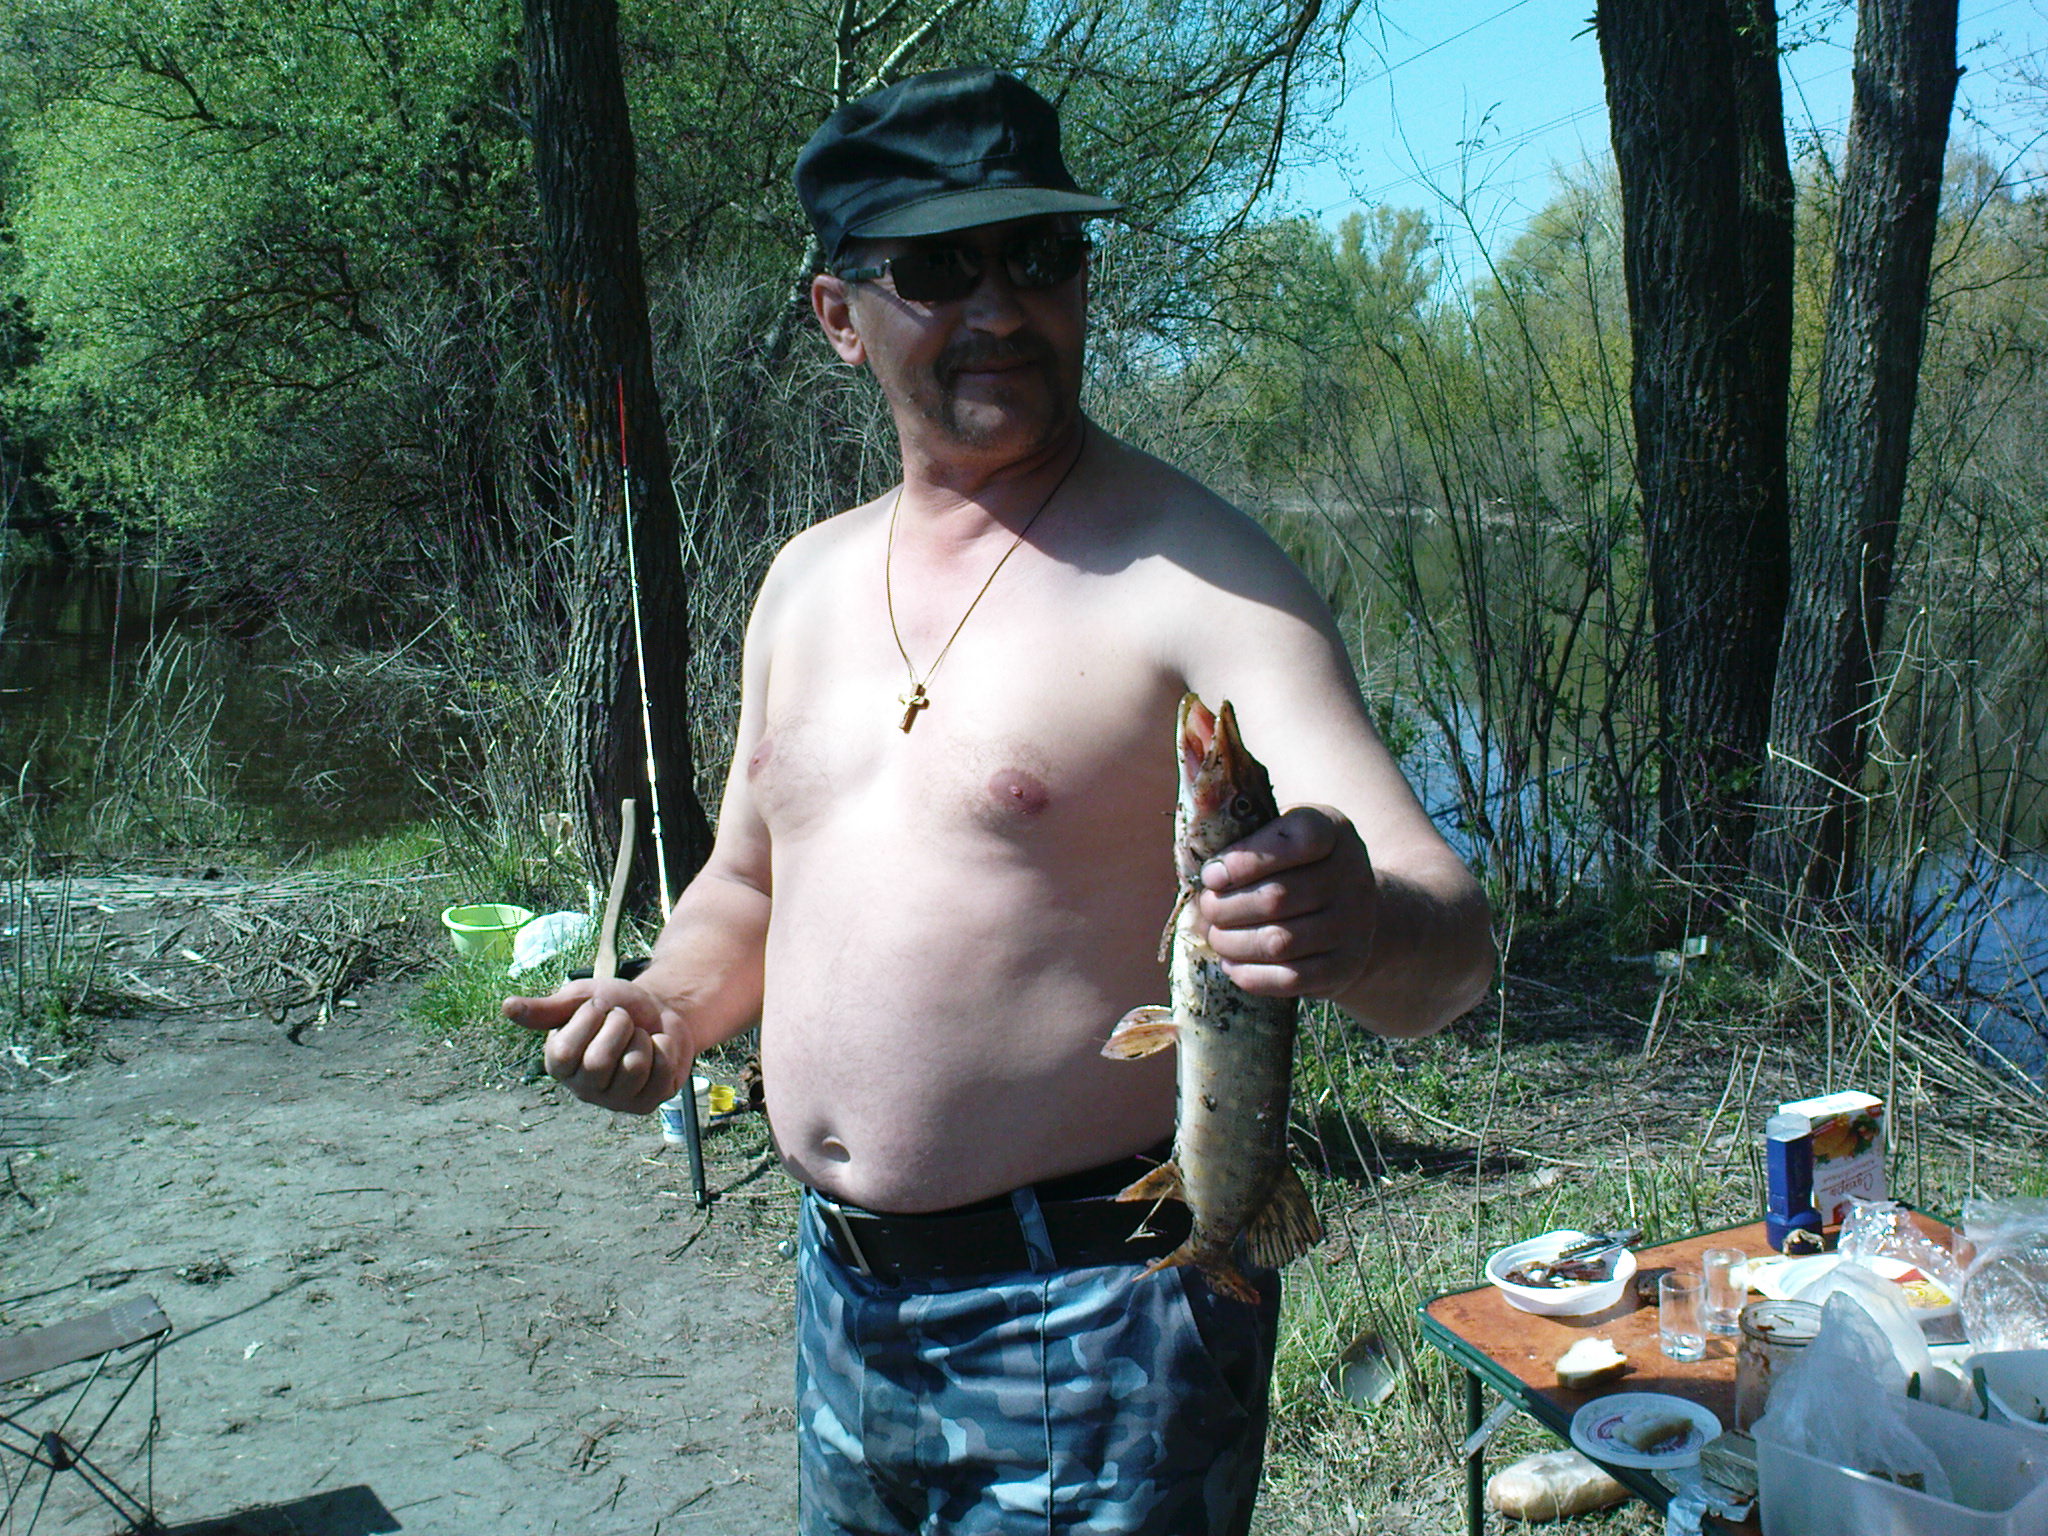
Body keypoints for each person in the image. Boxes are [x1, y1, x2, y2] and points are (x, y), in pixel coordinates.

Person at [504, 65, 1494, 1536]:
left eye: (1038, 256)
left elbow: (1451, 946)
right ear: (839, 314)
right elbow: (751, 886)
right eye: (938, 269)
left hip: (1106, 1311)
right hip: (842, 1296)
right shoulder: (802, 584)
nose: (1000, 306)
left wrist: (1356, 927)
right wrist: (664, 1009)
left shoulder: (1201, 577)